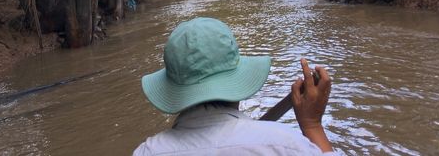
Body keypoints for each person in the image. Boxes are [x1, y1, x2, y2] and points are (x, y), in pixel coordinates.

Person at [133, 17, 334, 155]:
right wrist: (312, 125)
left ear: (173, 87)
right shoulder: (287, 145)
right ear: (237, 78)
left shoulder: (147, 152)